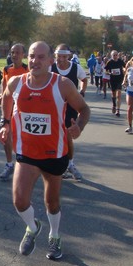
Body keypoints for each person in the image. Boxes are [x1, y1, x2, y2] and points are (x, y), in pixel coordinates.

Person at [0, 41, 90, 259]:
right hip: (27, 152)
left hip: (54, 153)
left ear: (51, 61)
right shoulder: (16, 82)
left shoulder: (63, 84)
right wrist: (5, 122)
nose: (34, 61)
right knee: (19, 200)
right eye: (31, 56)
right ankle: (32, 226)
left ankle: (55, 236)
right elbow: (7, 98)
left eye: (40, 57)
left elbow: (84, 109)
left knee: (52, 203)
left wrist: (79, 126)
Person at [50, 43, 87, 180]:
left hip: (70, 106)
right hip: (53, 105)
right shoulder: (51, 67)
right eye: (58, 56)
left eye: (63, 56)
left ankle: (70, 164)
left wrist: (82, 91)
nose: (60, 59)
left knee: (67, 135)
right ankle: (57, 164)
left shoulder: (75, 67)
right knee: (54, 135)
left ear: (68, 56)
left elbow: (83, 79)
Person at [0, 43, 28, 181]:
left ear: (23, 55)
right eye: (12, 52)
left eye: (17, 53)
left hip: (24, 109)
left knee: (23, 138)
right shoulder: (6, 69)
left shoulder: (27, 70)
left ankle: (24, 166)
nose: (14, 55)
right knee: (6, 136)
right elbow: (5, 88)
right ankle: (9, 164)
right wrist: (2, 96)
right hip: (9, 107)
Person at [105, 50, 125, 117]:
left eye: (116, 55)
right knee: (113, 94)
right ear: (111, 56)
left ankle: (118, 110)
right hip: (113, 80)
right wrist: (110, 73)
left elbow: (125, 67)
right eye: (114, 55)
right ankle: (114, 104)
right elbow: (106, 71)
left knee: (118, 94)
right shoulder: (109, 62)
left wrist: (124, 71)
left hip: (120, 79)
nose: (115, 56)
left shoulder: (120, 61)